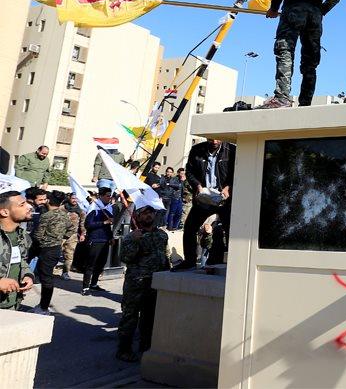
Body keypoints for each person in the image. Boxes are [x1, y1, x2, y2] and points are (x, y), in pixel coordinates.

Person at [116, 205, 170, 362]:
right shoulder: (132, 237)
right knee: (130, 316)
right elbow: (125, 258)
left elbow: (164, 256)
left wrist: (167, 273)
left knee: (149, 317)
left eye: (151, 213)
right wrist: (134, 242)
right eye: (144, 213)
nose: (148, 216)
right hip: (136, 282)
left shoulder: (162, 235)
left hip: (154, 282)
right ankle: (124, 350)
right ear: (138, 217)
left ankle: (146, 348)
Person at [172, 139, 235, 270]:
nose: (215, 141)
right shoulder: (197, 150)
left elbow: (239, 171)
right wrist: (197, 185)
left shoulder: (231, 150)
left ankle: (234, 263)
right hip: (204, 197)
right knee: (190, 227)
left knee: (231, 230)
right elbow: (189, 171)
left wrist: (228, 187)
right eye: (211, 139)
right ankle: (189, 261)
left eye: (217, 138)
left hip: (224, 198)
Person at [29, 190, 73, 315]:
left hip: (46, 249)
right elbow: (71, 228)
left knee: (46, 278)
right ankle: (43, 305)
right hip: (55, 248)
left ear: (48, 200)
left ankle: (44, 307)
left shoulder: (47, 216)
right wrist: (61, 236)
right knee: (46, 277)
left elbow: (38, 235)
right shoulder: (65, 215)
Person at [0, 191, 36, 310]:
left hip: (12, 304)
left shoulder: (23, 236)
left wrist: (27, 275)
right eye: (22, 204)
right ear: (5, 212)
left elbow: (22, 261)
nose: (29, 207)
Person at [82, 187, 116, 295]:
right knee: (90, 264)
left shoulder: (108, 208)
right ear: (101, 196)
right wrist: (104, 222)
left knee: (101, 263)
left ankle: (94, 284)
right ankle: (85, 287)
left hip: (105, 239)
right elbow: (88, 225)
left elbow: (109, 226)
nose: (109, 198)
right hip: (95, 239)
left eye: (110, 196)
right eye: (107, 195)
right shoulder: (94, 208)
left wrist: (111, 237)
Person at [62, 192, 84, 279]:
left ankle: (65, 272)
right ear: (69, 199)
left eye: (76, 198)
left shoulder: (80, 211)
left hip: (72, 236)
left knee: (69, 256)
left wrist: (83, 234)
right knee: (54, 254)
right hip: (60, 235)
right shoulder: (62, 209)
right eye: (73, 198)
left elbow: (82, 223)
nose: (75, 200)